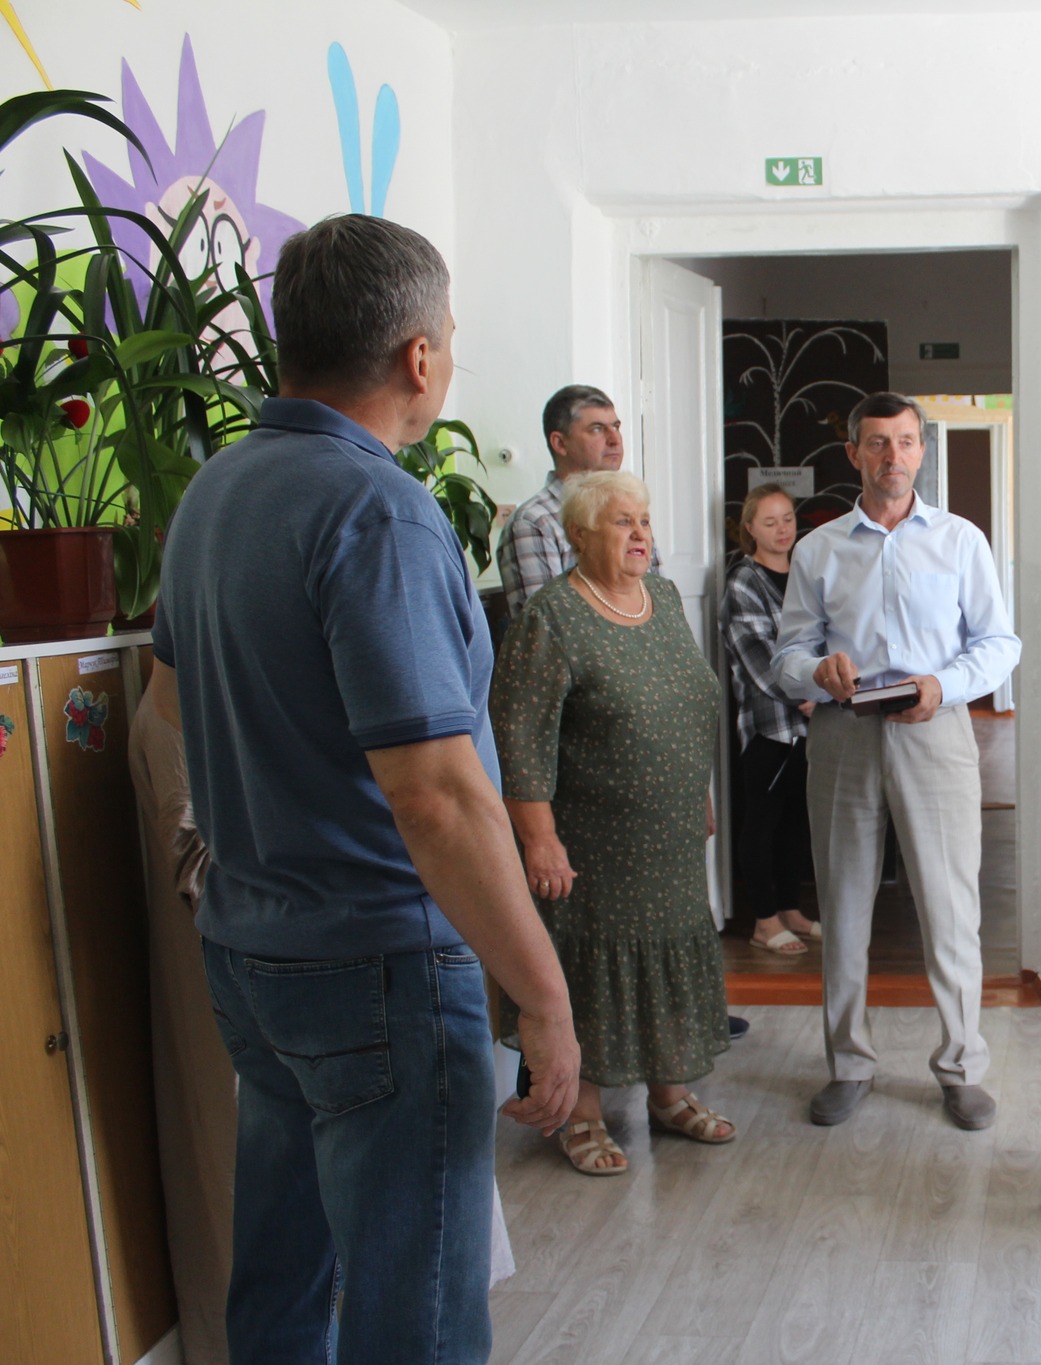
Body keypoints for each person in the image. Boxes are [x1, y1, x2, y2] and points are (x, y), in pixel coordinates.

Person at [154, 213, 580, 1364]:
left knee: (284, 1278)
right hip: (378, 963)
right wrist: (541, 995)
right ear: (418, 356)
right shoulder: (376, 510)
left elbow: (170, 709)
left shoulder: (215, 492)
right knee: (416, 1310)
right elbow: (435, 795)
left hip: (252, 950)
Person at [770, 391, 1021, 1131]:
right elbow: (787, 654)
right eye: (877, 442)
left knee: (950, 907)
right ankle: (848, 1063)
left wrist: (943, 686)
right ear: (854, 453)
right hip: (843, 734)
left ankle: (962, 1067)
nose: (893, 455)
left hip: (935, 731)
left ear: (921, 450)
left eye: (906, 441)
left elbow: (999, 644)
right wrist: (816, 672)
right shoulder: (818, 549)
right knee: (844, 904)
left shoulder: (960, 540)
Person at [491, 471, 736, 1174]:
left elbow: (687, 703)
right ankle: (581, 1112)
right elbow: (520, 735)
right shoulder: (552, 616)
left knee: (667, 952)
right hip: (591, 842)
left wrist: (699, 791)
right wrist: (539, 838)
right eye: (622, 521)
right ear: (578, 534)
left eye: (645, 521)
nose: (640, 534)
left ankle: (670, 1093)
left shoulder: (663, 597)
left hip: (671, 835)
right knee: (590, 967)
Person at [129, 668, 233, 1365]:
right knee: (236, 1169)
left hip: (261, 964)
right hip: (230, 974)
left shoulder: (207, 691)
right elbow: (199, 867)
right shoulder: (172, 711)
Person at [721, 483, 820, 955]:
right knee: (762, 821)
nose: (782, 529)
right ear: (750, 529)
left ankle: (791, 909)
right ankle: (764, 921)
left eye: (787, 519)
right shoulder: (744, 581)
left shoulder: (804, 573)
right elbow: (757, 655)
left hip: (813, 723)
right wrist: (807, 694)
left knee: (797, 821)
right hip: (769, 725)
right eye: (769, 521)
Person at [495, 384, 664, 617]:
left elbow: (659, 605)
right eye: (597, 429)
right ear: (560, 443)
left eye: (616, 427)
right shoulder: (534, 522)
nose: (615, 439)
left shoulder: (632, 512)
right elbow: (550, 624)